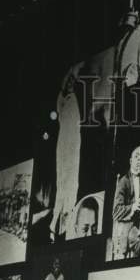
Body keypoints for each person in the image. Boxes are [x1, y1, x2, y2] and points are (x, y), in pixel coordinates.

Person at [50, 69, 82, 242]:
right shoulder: (63, 101)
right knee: (62, 182)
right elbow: (59, 109)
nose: (71, 85)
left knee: (72, 183)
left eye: (72, 83)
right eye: (68, 82)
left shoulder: (75, 101)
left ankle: (66, 221)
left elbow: (76, 128)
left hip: (73, 148)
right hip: (63, 148)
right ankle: (55, 223)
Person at [111, 145, 140, 260]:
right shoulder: (124, 181)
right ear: (130, 160)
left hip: (137, 223)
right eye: (136, 157)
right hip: (125, 226)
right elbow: (116, 212)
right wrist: (134, 207)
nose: (138, 160)